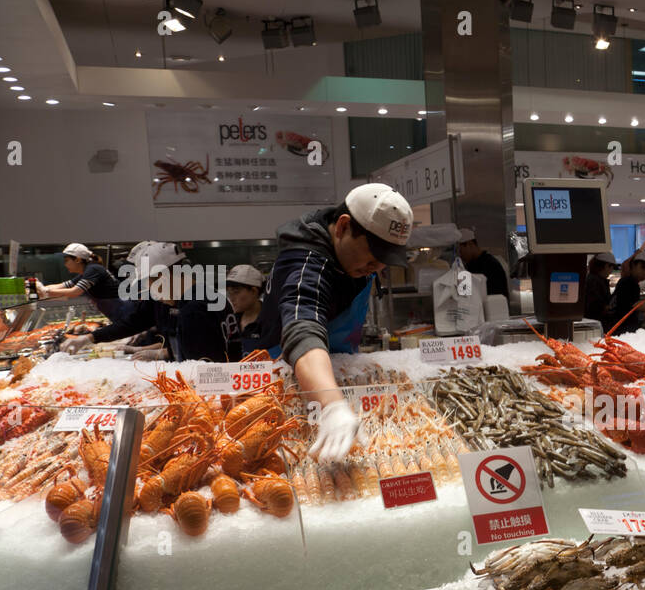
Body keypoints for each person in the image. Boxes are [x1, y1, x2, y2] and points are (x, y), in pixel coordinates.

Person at [254, 183, 413, 462]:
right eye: (374, 254)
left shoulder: (352, 257)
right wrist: (331, 405)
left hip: (336, 375)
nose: (377, 267)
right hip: (288, 382)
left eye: (385, 260)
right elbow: (302, 327)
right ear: (342, 227)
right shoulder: (305, 263)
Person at [59, 241, 232, 362]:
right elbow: (134, 321)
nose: (149, 290)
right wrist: (90, 337)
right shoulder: (185, 298)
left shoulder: (195, 308)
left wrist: (162, 354)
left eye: (148, 282)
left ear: (164, 277)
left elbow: (202, 369)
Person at [36, 243, 129, 320]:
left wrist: (45, 291)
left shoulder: (93, 269)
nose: (65, 264)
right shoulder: (85, 273)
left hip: (126, 311)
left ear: (77, 260)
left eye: (66, 261)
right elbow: (64, 285)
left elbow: (74, 292)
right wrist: (38, 288)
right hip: (119, 314)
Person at [608, 248, 645, 335]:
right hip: (622, 330)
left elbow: (627, 308)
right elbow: (634, 305)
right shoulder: (628, 282)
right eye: (643, 267)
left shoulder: (631, 282)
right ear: (633, 265)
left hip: (624, 327)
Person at [223, 264, 265, 360]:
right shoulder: (230, 321)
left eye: (235, 292)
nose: (231, 298)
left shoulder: (271, 322)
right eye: (229, 292)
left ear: (254, 291)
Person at [455, 228, 509, 300]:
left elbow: (495, 296)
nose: (460, 255)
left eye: (461, 251)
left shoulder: (490, 264)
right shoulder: (470, 265)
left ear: (470, 244)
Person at [583, 251, 617, 324]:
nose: (611, 271)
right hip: (595, 322)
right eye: (612, 267)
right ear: (606, 266)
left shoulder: (596, 279)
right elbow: (595, 305)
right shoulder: (594, 281)